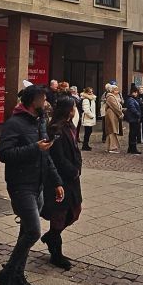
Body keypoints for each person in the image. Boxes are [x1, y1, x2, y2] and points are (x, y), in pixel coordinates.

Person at [0, 84, 63, 285]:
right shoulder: (14, 123)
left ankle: (17, 276)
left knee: (25, 231)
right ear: (31, 100)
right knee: (33, 231)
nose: (45, 102)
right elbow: (4, 154)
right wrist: (35, 148)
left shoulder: (40, 121)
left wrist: (56, 182)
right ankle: (6, 275)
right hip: (20, 184)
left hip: (39, 184)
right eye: (42, 98)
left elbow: (46, 154)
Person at [41, 95, 83, 270]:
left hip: (72, 178)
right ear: (68, 110)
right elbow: (58, 157)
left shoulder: (70, 126)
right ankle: (56, 253)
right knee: (59, 215)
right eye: (73, 107)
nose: (75, 110)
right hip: (61, 179)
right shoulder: (56, 129)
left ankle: (51, 236)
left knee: (75, 210)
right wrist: (72, 171)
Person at [102, 83, 123, 153]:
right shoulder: (110, 97)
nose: (118, 91)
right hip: (111, 114)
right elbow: (115, 107)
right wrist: (120, 113)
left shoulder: (112, 96)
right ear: (113, 90)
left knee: (111, 130)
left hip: (112, 114)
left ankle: (109, 147)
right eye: (116, 90)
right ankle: (112, 147)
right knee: (112, 130)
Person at [125, 84, 143, 154]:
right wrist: (138, 114)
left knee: (133, 134)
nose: (136, 94)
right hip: (133, 119)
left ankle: (131, 148)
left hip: (134, 119)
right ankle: (133, 148)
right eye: (135, 92)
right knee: (133, 134)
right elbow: (132, 108)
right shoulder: (131, 99)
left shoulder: (133, 99)